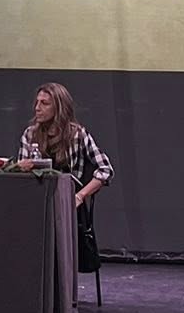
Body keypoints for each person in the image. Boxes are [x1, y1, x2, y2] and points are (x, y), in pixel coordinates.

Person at [16, 81, 115, 263]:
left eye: (44, 103)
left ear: (59, 108)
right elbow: (21, 176)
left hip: (68, 206)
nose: (37, 108)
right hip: (37, 205)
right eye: (37, 102)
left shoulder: (78, 135)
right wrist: (21, 167)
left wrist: (80, 196)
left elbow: (105, 170)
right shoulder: (30, 134)